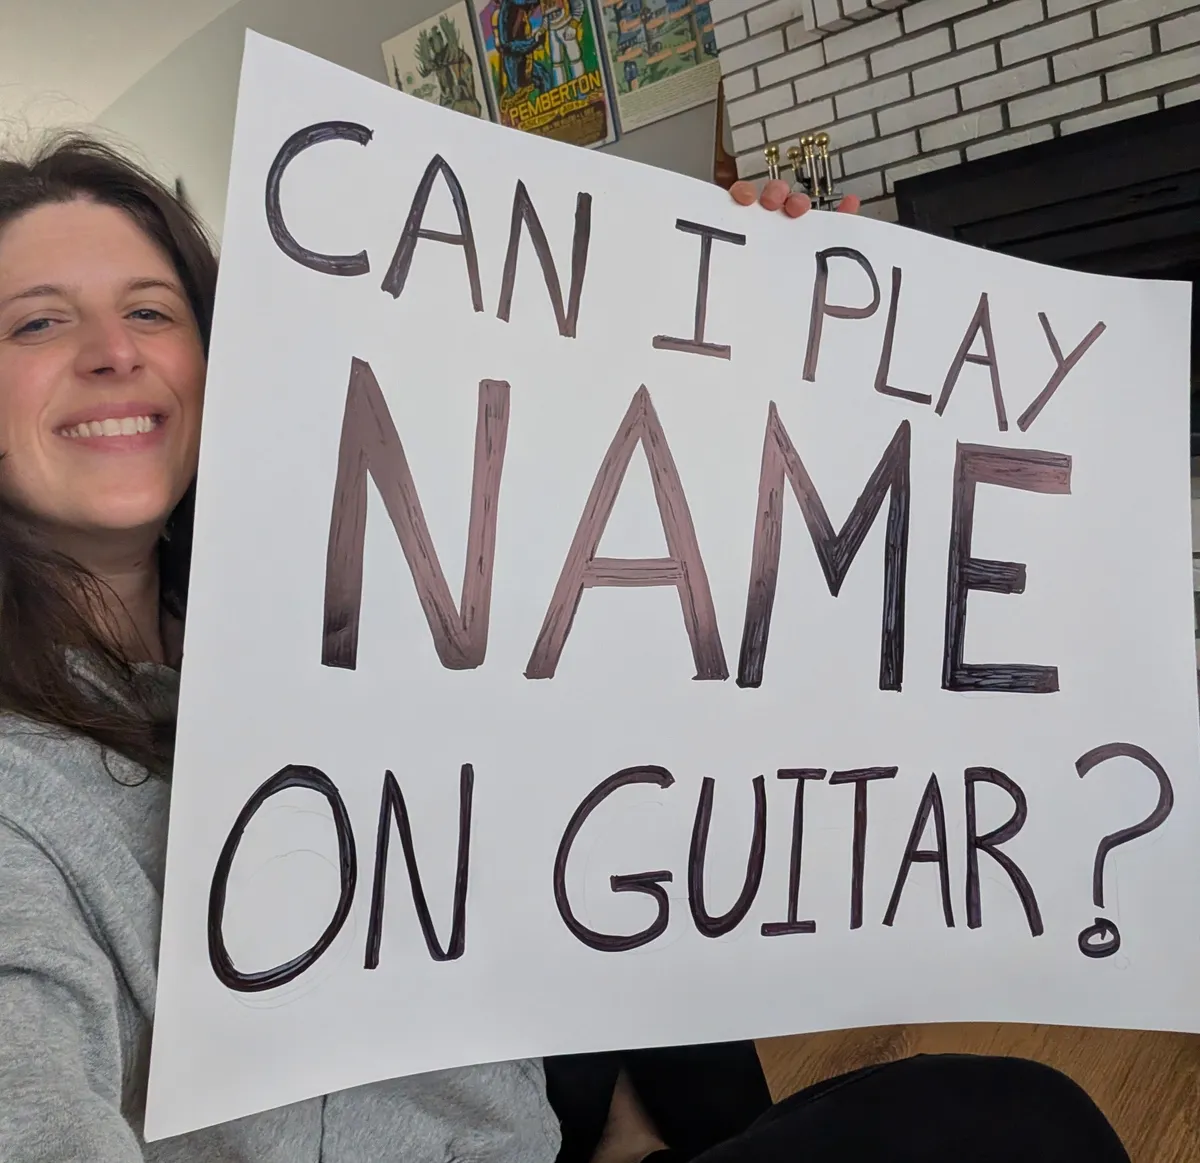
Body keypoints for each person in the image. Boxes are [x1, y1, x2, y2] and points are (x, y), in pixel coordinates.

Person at [0, 134, 1128, 1163]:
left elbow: (642, 614)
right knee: (1018, 1128)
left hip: (513, 1099)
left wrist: (758, 308)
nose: (112, 352)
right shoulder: (21, 797)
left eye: (151, 310)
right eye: (37, 320)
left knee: (628, 880)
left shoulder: (327, 604)